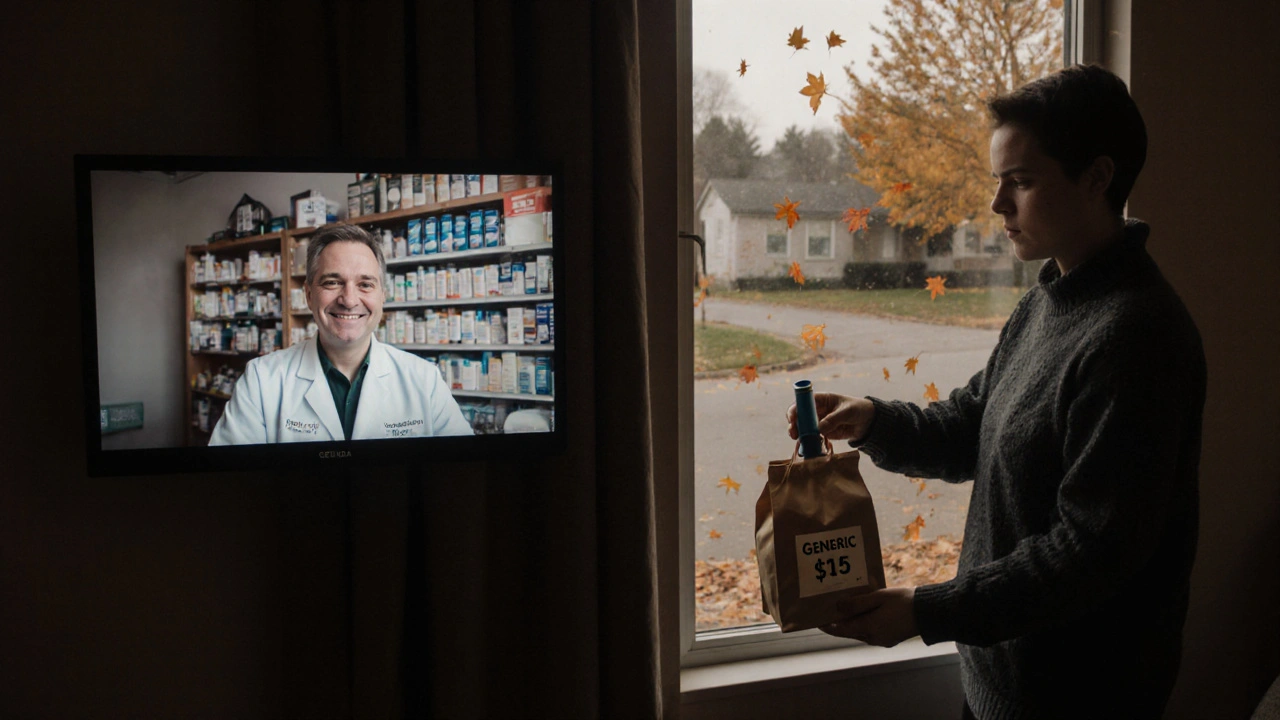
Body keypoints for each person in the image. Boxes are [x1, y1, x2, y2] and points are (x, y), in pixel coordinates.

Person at [786, 64, 1205, 719]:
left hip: (1079, 700)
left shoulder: (1136, 338)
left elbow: (1090, 552)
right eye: (997, 182)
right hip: (1004, 683)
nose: (997, 205)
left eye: (1022, 182)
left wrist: (928, 610)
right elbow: (972, 426)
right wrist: (874, 421)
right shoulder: (1047, 301)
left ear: (1098, 177)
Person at [210, 224, 473, 444]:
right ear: (309, 294)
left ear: (383, 295)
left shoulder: (424, 380)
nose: (349, 300)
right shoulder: (261, 380)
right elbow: (230, 484)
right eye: (332, 282)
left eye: (365, 284)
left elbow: (462, 474)